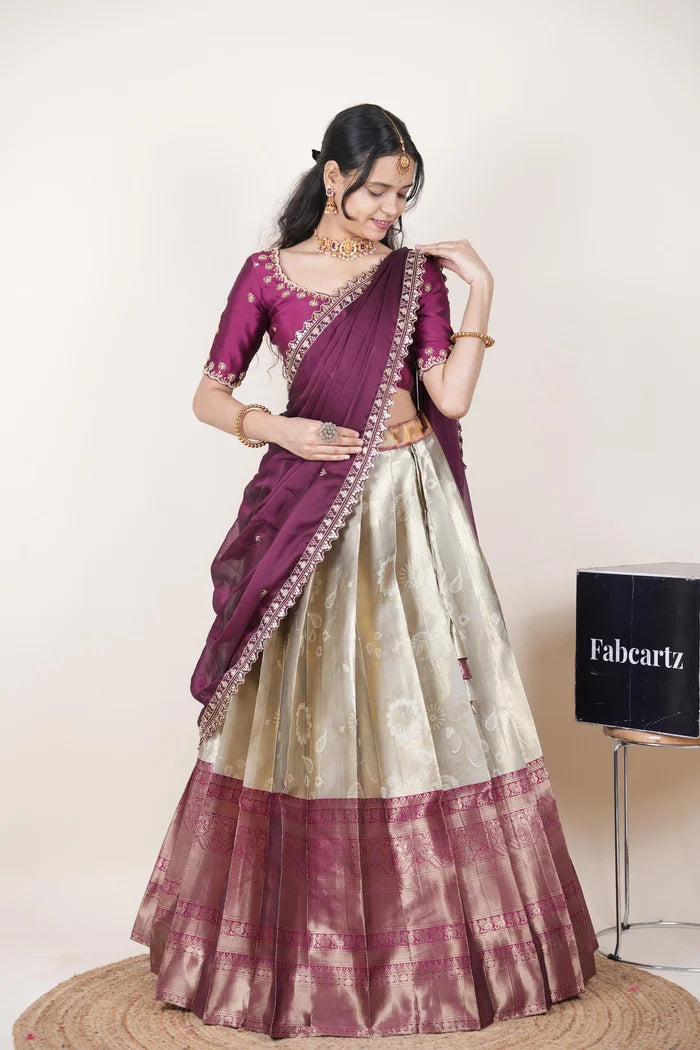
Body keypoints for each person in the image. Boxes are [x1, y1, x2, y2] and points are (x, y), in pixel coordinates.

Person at [130, 103, 598, 1038]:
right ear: (334, 177)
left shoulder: (412, 276)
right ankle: (309, 949)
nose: (392, 210)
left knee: (420, 711)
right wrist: (277, 428)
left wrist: (481, 291)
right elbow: (210, 393)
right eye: (378, 190)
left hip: (408, 509)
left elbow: (449, 397)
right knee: (320, 713)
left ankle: (432, 944)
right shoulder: (267, 275)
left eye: (405, 193)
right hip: (314, 508)